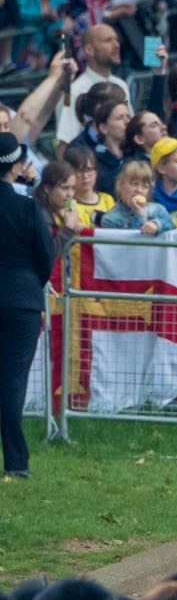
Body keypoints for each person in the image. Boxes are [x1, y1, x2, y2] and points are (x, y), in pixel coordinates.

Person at [0, 134, 54, 478]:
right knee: (13, 379)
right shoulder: (26, 206)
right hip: (21, 299)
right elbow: (45, 256)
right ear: (17, 166)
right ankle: (17, 461)